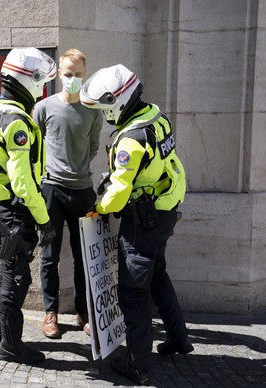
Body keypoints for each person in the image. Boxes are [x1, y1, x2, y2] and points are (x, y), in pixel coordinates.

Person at [80, 64, 193, 385]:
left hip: (142, 222)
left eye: (104, 110)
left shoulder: (131, 140)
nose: (105, 117)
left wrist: (97, 208)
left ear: (117, 102)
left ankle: (138, 365)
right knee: (158, 276)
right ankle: (179, 339)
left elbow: (118, 191)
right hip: (165, 210)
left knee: (133, 295)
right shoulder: (155, 116)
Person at [0, 47, 57, 365]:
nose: (44, 88)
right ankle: (10, 345)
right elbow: (24, 182)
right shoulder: (17, 122)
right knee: (16, 275)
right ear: (28, 80)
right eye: (42, 82)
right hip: (15, 207)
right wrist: (44, 220)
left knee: (4, 267)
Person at [32, 49, 103, 339]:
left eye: (77, 75)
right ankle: (50, 313)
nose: (72, 79)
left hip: (83, 191)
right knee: (49, 256)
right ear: (59, 74)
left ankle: (82, 312)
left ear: (84, 76)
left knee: (82, 257)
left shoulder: (93, 111)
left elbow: (95, 146)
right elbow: (34, 148)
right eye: (68, 74)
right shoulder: (44, 108)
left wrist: (79, 166)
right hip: (51, 190)